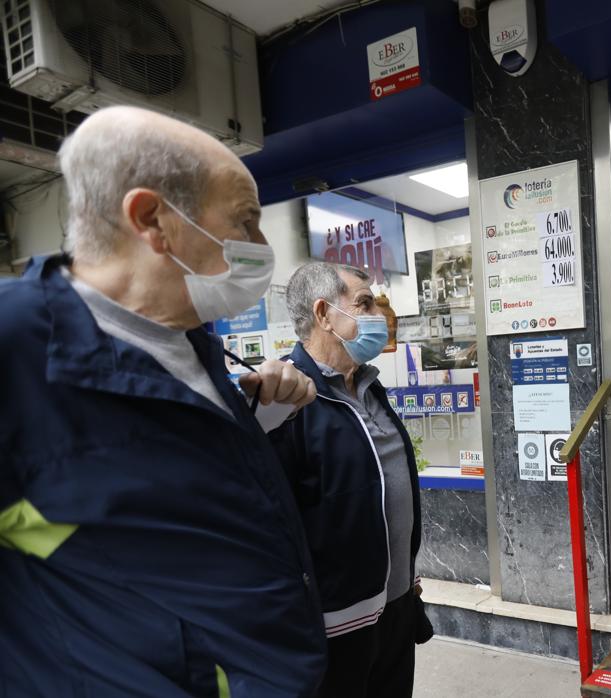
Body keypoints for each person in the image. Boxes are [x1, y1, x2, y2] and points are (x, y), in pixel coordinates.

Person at [0, 106, 326, 695]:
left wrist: (262, 416)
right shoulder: (16, 342)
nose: (261, 244)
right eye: (246, 221)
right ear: (153, 219)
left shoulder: (192, 344)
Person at [271, 262, 434, 698]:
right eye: (363, 303)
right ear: (324, 314)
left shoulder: (368, 385)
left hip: (397, 602)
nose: (378, 316)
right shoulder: (287, 400)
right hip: (336, 625)